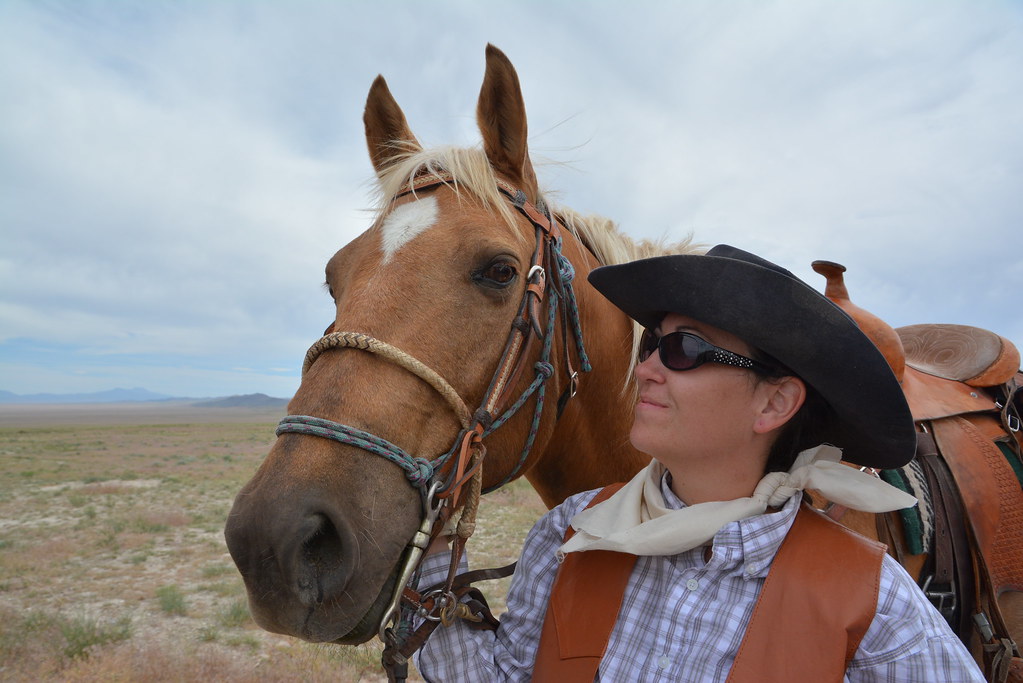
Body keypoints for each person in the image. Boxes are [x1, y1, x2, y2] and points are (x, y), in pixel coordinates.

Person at [414, 245, 983, 681]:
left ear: (775, 402)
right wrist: (432, 560)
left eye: (683, 349)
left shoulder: (876, 606)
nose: (645, 370)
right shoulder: (568, 533)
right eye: (650, 345)